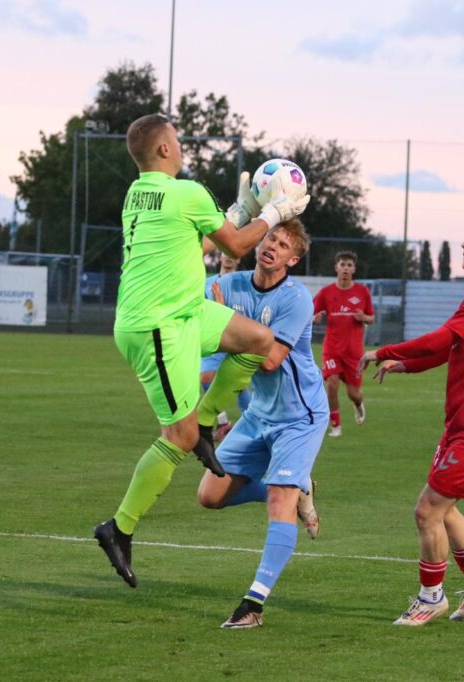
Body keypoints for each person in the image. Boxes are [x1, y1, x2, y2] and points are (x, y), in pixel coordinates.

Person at [93, 113, 310, 589]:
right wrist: (275, 210)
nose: (181, 146)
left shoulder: (139, 193)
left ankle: (209, 420)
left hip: (185, 311)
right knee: (179, 436)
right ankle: (119, 528)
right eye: (176, 139)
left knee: (258, 339)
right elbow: (233, 244)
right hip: (158, 326)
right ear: (164, 149)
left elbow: (203, 238)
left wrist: (242, 207)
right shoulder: (186, 192)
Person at [359, 219, 464, 626]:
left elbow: (442, 338)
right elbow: (451, 349)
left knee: (427, 510)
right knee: (443, 510)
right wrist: (404, 365)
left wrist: (384, 351)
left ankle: (431, 598)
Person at [194, 219, 328, 629]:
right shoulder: (227, 286)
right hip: (258, 414)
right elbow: (191, 316)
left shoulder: (296, 299)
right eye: (270, 237)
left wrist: (221, 323)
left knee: (279, 501)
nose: (273, 246)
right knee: (209, 496)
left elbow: (270, 360)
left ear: (293, 259)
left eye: (284, 245)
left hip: (299, 417)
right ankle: (297, 487)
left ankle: (253, 605)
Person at [313, 251, 375, 437]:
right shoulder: (326, 292)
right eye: (342, 265)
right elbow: (311, 311)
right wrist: (314, 317)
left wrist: (364, 317)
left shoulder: (362, 292)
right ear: (336, 268)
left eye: (349, 265)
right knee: (332, 384)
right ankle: (336, 426)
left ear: (354, 269)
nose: (345, 268)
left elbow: (371, 318)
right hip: (332, 349)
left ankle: (358, 404)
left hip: (353, 352)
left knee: (353, 393)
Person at [202, 253, 251, 440]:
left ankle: (253, 421)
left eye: (233, 255)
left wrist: (223, 308)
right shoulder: (208, 283)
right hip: (214, 338)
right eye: (226, 254)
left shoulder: (243, 284)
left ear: (238, 259)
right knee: (205, 378)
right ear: (220, 257)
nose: (229, 258)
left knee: (237, 384)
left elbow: (246, 311)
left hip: (235, 337)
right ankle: (223, 422)